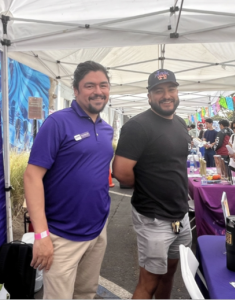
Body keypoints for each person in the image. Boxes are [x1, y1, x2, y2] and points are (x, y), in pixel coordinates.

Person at [24, 61, 113, 299]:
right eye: (90, 86)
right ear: (75, 90)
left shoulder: (106, 129)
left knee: (86, 293)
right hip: (62, 235)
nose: (98, 91)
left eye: (103, 85)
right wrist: (41, 235)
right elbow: (32, 176)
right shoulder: (57, 122)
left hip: (97, 231)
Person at [112, 69, 192, 299]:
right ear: (149, 96)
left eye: (171, 89)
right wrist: (150, 186)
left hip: (181, 216)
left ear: (177, 92)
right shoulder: (138, 126)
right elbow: (121, 172)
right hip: (154, 218)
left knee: (169, 273)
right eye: (159, 91)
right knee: (149, 282)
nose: (166, 95)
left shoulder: (180, 122)